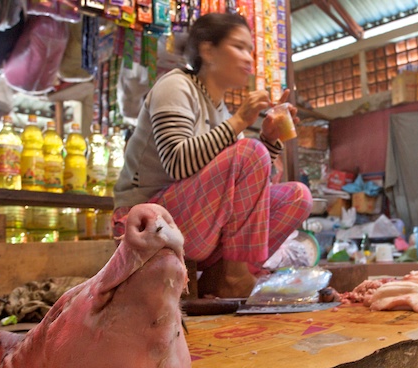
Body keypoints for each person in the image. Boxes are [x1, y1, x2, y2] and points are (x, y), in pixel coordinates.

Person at [112, 13, 313, 298]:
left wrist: (270, 138)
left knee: (298, 196)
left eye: (250, 51)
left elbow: (251, 192)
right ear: (208, 50)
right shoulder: (176, 85)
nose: (248, 58)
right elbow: (178, 163)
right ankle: (236, 278)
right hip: (143, 220)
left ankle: (219, 280)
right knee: (249, 150)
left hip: (191, 222)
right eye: (239, 47)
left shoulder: (221, 112)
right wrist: (242, 120)